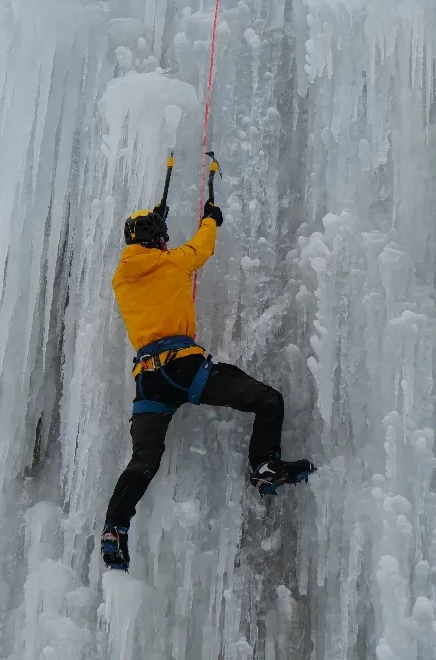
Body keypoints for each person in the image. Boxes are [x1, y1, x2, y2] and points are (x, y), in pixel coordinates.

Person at [100, 167, 315, 572]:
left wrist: (157, 221)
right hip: (185, 367)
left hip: (149, 382)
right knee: (268, 401)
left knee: (143, 459)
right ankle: (264, 466)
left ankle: (114, 528)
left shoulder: (121, 278)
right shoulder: (173, 263)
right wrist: (210, 218)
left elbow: (150, 255)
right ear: (158, 241)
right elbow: (202, 247)